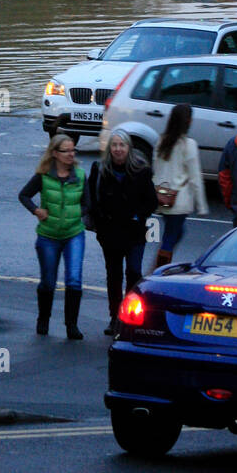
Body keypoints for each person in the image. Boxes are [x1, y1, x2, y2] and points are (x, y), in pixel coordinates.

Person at [86, 131, 156, 334]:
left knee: (134, 272)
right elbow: (92, 199)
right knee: (114, 276)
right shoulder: (99, 169)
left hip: (134, 233)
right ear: (110, 148)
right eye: (114, 145)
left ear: (128, 148)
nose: (118, 149)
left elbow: (151, 201)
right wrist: (101, 221)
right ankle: (115, 317)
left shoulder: (141, 171)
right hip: (110, 233)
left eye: (122, 145)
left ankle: (130, 315)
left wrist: (137, 216)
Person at [19, 133, 87, 339]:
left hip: (74, 233)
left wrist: (77, 215)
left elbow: (89, 203)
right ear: (55, 153)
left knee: (74, 280)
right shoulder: (43, 175)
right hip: (48, 235)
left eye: (72, 150)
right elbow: (24, 195)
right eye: (65, 151)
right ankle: (43, 318)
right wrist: (36, 210)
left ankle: (71, 325)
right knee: (48, 281)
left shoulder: (80, 175)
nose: (70, 154)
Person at [150, 103, 208, 268]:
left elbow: (156, 168)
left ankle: (158, 266)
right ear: (187, 121)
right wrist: (202, 206)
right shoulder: (188, 144)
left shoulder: (161, 141)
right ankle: (158, 271)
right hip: (179, 201)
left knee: (176, 233)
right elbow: (195, 177)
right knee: (171, 237)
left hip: (162, 197)